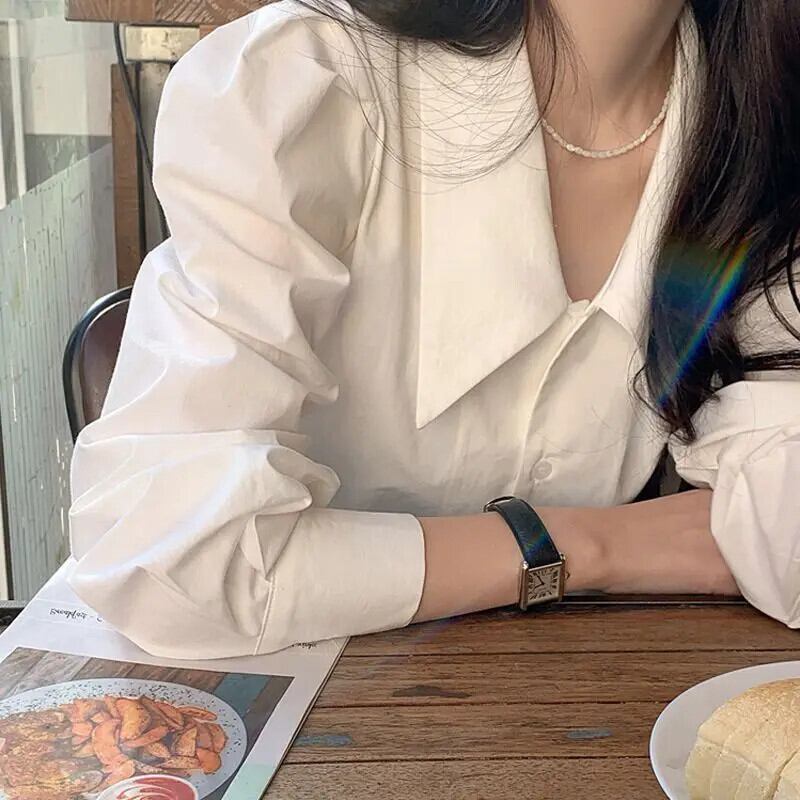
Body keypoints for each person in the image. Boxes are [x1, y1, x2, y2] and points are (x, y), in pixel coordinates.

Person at [68, 0, 800, 659]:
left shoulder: (760, 128)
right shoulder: (304, 84)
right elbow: (170, 561)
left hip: (562, 696)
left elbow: (782, 530)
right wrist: (589, 545)